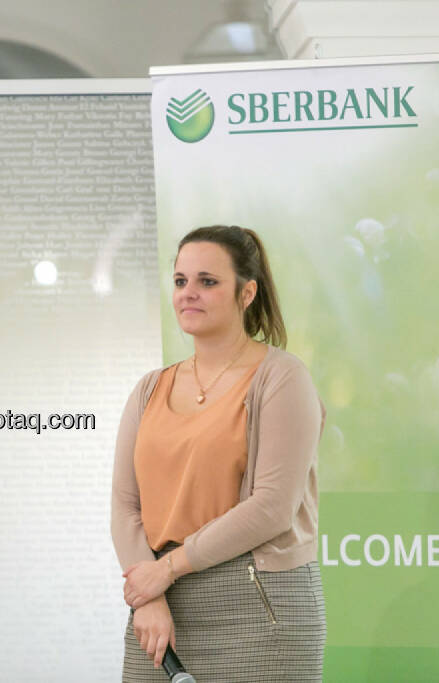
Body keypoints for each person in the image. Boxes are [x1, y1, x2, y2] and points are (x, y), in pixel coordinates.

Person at [111, 225, 326, 682]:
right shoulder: (149, 388)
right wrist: (148, 594)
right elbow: (125, 506)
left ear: (246, 293)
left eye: (208, 281)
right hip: (160, 611)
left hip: (258, 605)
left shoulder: (282, 379)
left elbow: (271, 507)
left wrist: (165, 569)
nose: (189, 293)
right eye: (180, 281)